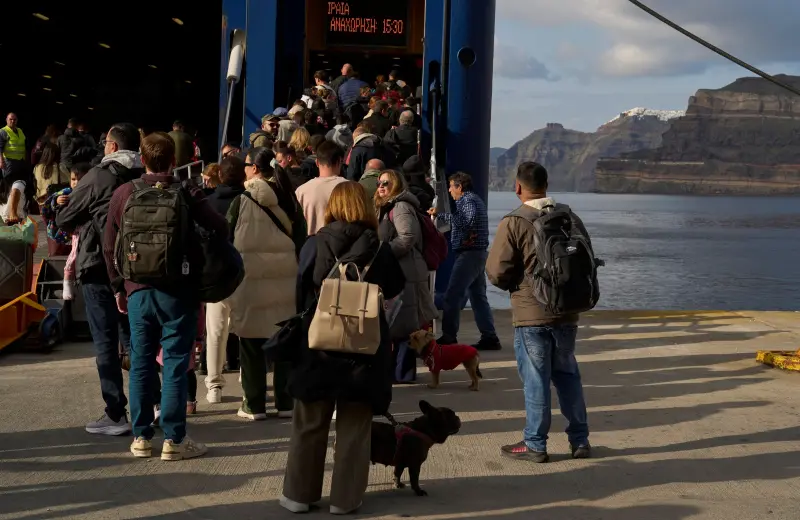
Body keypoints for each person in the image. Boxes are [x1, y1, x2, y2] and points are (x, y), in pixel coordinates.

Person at [281, 181, 405, 515]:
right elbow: (396, 287)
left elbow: (300, 292)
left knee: (309, 421)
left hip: (319, 343)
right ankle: (345, 499)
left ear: (332, 207)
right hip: (363, 348)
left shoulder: (314, 244)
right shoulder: (380, 249)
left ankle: (298, 495)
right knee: (354, 427)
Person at [104, 132, 228, 460]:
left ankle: (141, 438)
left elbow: (108, 244)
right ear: (174, 161)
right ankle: (174, 440)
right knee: (175, 362)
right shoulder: (186, 191)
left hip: (137, 291)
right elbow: (220, 227)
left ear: (142, 160)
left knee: (142, 362)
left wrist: (119, 285)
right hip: (179, 290)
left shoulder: (124, 193)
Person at [486, 162, 591, 462]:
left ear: (518, 187)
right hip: (568, 312)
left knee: (536, 380)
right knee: (569, 376)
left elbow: (496, 272)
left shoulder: (515, 221)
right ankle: (580, 440)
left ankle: (535, 443)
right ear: (547, 184)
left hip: (531, 315)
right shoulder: (569, 216)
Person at [56, 122, 145, 436]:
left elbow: (65, 220)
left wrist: (63, 206)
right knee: (136, 340)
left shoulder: (98, 176)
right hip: (137, 269)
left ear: (111, 146)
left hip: (97, 268)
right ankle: (153, 405)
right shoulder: (145, 176)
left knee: (106, 343)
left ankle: (115, 413)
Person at [226, 152, 298, 420]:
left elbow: (226, 237)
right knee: (284, 341)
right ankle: (285, 402)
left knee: (251, 342)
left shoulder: (240, 201)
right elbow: (300, 237)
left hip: (250, 282)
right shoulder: (288, 198)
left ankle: (254, 404)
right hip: (285, 280)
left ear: (254, 168)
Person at [374, 170, 438, 383]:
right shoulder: (388, 206)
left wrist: (384, 252)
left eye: (386, 182)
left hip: (406, 271)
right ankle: (400, 372)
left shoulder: (400, 207)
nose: (381, 186)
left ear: (396, 185)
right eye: (379, 183)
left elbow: (407, 237)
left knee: (404, 324)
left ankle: (403, 374)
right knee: (399, 322)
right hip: (401, 270)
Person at [430, 172, 501, 351]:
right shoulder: (474, 200)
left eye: (451, 186)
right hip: (477, 254)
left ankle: (448, 336)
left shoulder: (467, 201)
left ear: (459, 187)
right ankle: (490, 336)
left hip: (469, 255)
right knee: (478, 298)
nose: (449, 189)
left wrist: (442, 215)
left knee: (452, 295)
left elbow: (467, 222)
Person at [203, 158, 247, 404]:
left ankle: (214, 385)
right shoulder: (250, 201)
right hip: (245, 272)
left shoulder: (208, 203)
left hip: (216, 273)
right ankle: (245, 375)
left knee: (215, 331)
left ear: (219, 174)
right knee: (246, 327)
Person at [295, 140, 347, 235]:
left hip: (311, 245)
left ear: (317, 162)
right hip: (342, 245)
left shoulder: (302, 191)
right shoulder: (351, 189)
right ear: (340, 161)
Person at [61, 164, 91, 300]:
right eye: (73, 179)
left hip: (84, 230)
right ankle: (67, 282)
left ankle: (73, 281)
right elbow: (50, 206)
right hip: (76, 232)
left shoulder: (89, 192)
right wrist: (57, 201)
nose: (76, 183)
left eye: (79, 180)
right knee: (73, 255)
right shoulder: (66, 193)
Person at [0, 113, 27, 179]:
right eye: (10, 119)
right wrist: (1, 161)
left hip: (20, 161)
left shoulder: (20, 130)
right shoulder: (3, 131)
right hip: (9, 162)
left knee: (19, 183)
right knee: (9, 182)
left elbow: (24, 145)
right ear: (6, 120)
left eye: (14, 119)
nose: (13, 121)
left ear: (17, 120)